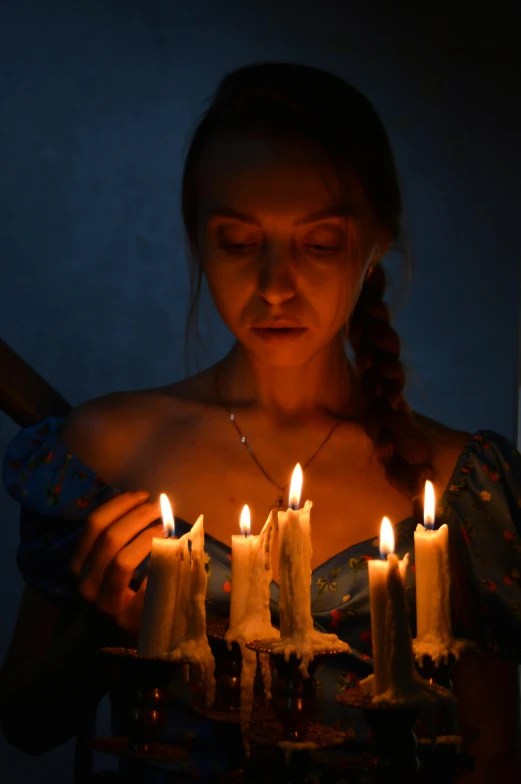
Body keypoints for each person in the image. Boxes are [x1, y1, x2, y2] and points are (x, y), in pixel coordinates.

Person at [1, 62, 520, 783]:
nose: (276, 286)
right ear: (198, 241)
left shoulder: (463, 486)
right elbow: (24, 728)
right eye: (239, 244)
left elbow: (491, 755)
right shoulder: (108, 450)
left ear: (374, 245)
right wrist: (99, 632)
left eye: (318, 244)